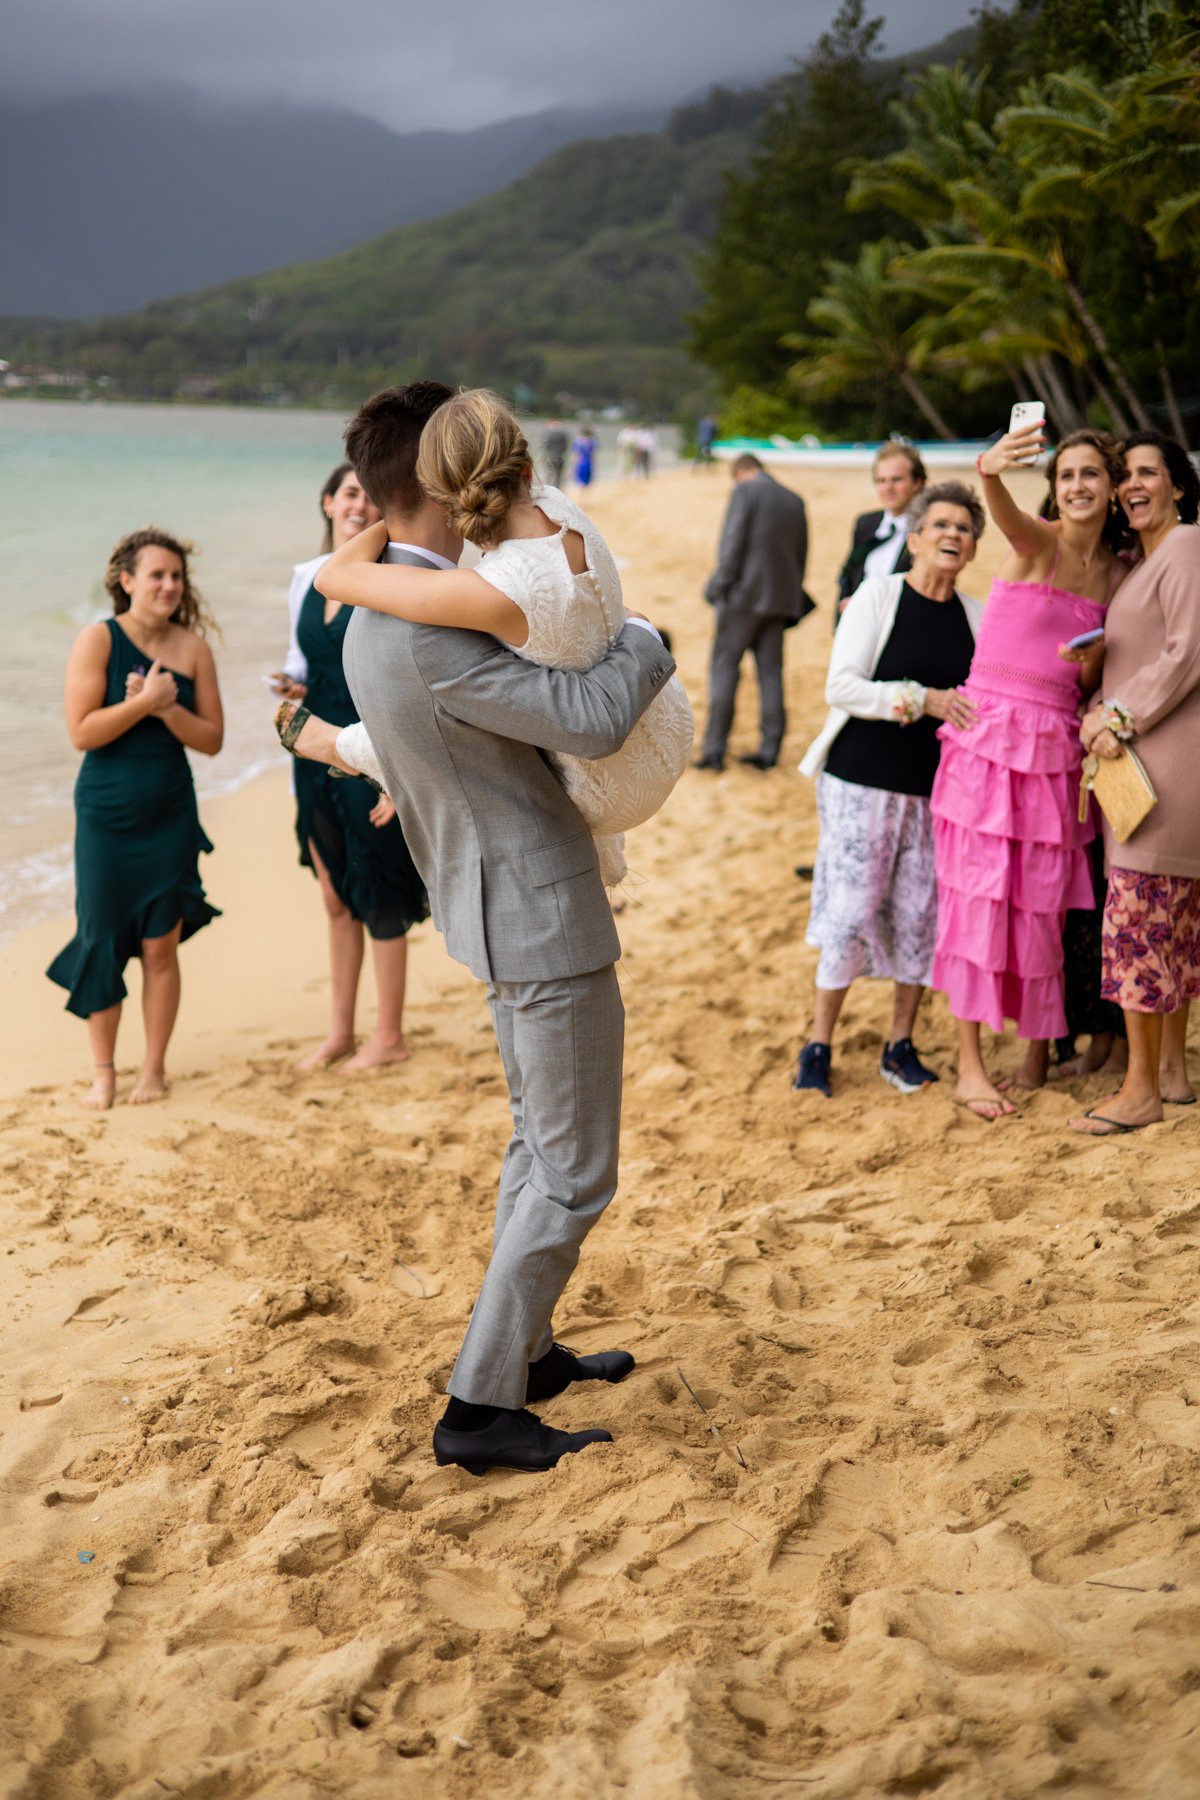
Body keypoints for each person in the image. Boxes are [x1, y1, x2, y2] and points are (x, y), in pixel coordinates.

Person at [288, 381, 677, 1475]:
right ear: (433, 484)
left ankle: (529, 1353)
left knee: (536, 1143)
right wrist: (647, 640)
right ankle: (477, 1408)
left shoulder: (378, 619)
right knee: (574, 1174)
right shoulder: (426, 633)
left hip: (494, 904)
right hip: (537, 911)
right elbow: (597, 720)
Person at [281, 393, 693, 890]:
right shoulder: (561, 508)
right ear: (525, 465)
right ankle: (346, 746)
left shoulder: (495, 590)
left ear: (440, 495)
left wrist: (391, 510)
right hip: (665, 722)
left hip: (610, 786)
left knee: (454, 731)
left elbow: (334, 575)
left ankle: (342, 745)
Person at [931, 423, 1129, 1118]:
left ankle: (1039, 1050)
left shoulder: (1117, 571)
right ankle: (970, 1066)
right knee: (979, 902)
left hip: (1055, 749)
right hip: (989, 741)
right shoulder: (1037, 541)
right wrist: (989, 466)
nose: (1077, 486)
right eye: (1066, 475)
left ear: (1111, 487)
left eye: (1090, 475)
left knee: (1043, 908)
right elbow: (1001, 504)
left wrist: (1094, 666)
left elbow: (1098, 673)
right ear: (1056, 486)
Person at [795, 483, 985, 1096]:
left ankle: (899, 1045)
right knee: (851, 913)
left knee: (918, 918)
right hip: (860, 782)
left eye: (965, 529)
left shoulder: (977, 617)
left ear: (974, 546)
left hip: (938, 795)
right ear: (916, 536)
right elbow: (840, 687)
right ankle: (818, 1045)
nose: (953, 535)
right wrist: (922, 700)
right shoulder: (879, 595)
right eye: (942, 526)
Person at [47, 528, 223, 1107]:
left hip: (169, 812)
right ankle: (104, 1072)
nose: (170, 586)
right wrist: (140, 704)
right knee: (101, 938)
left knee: (159, 948)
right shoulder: (98, 640)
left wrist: (165, 709)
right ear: (128, 582)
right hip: (106, 816)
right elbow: (81, 732)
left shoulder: (193, 649)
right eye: (157, 575)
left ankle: (153, 1069)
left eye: (176, 576)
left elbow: (213, 741)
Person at [271, 463, 428, 1073]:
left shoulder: (392, 580)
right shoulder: (307, 579)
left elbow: (404, 684)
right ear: (328, 503)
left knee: (380, 890)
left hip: (369, 755)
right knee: (335, 896)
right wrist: (290, 684)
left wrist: (395, 771)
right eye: (350, 494)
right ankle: (339, 1032)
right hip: (311, 755)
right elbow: (301, 658)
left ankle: (388, 1035)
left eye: (371, 497)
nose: (360, 507)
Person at [1070, 431, 1200, 1136]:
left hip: (1162, 771)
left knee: (1139, 933)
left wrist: (1116, 714)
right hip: (1163, 766)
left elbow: (1190, 650)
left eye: (1148, 472)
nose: (1132, 485)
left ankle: (1139, 1090)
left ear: (1178, 484)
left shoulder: (1183, 547)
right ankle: (1174, 1076)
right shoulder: (1148, 560)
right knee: (1171, 930)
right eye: (1127, 476)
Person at [695, 453, 812, 772]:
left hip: (743, 598)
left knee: (724, 668)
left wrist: (718, 586)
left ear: (740, 472)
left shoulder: (745, 490)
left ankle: (715, 751)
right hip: (779, 600)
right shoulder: (795, 500)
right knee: (771, 674)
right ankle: (769, 750)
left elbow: (731, 546)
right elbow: (801, 555)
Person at [836, 443, 926, 612]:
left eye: (896, 479)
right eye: (881, 480)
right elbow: (848, 575)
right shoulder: (865, 523)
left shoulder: (928, 529)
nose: (887, 487)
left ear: (917, 483)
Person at [542, 420, 567, 488]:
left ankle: (548, 487)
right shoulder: (563, 435)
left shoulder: (549, 434)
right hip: (559, 457)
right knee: (558, 475)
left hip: (550, 457)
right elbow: (565, 447)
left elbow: (546, 446)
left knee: (549, 474)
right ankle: (558, 488)